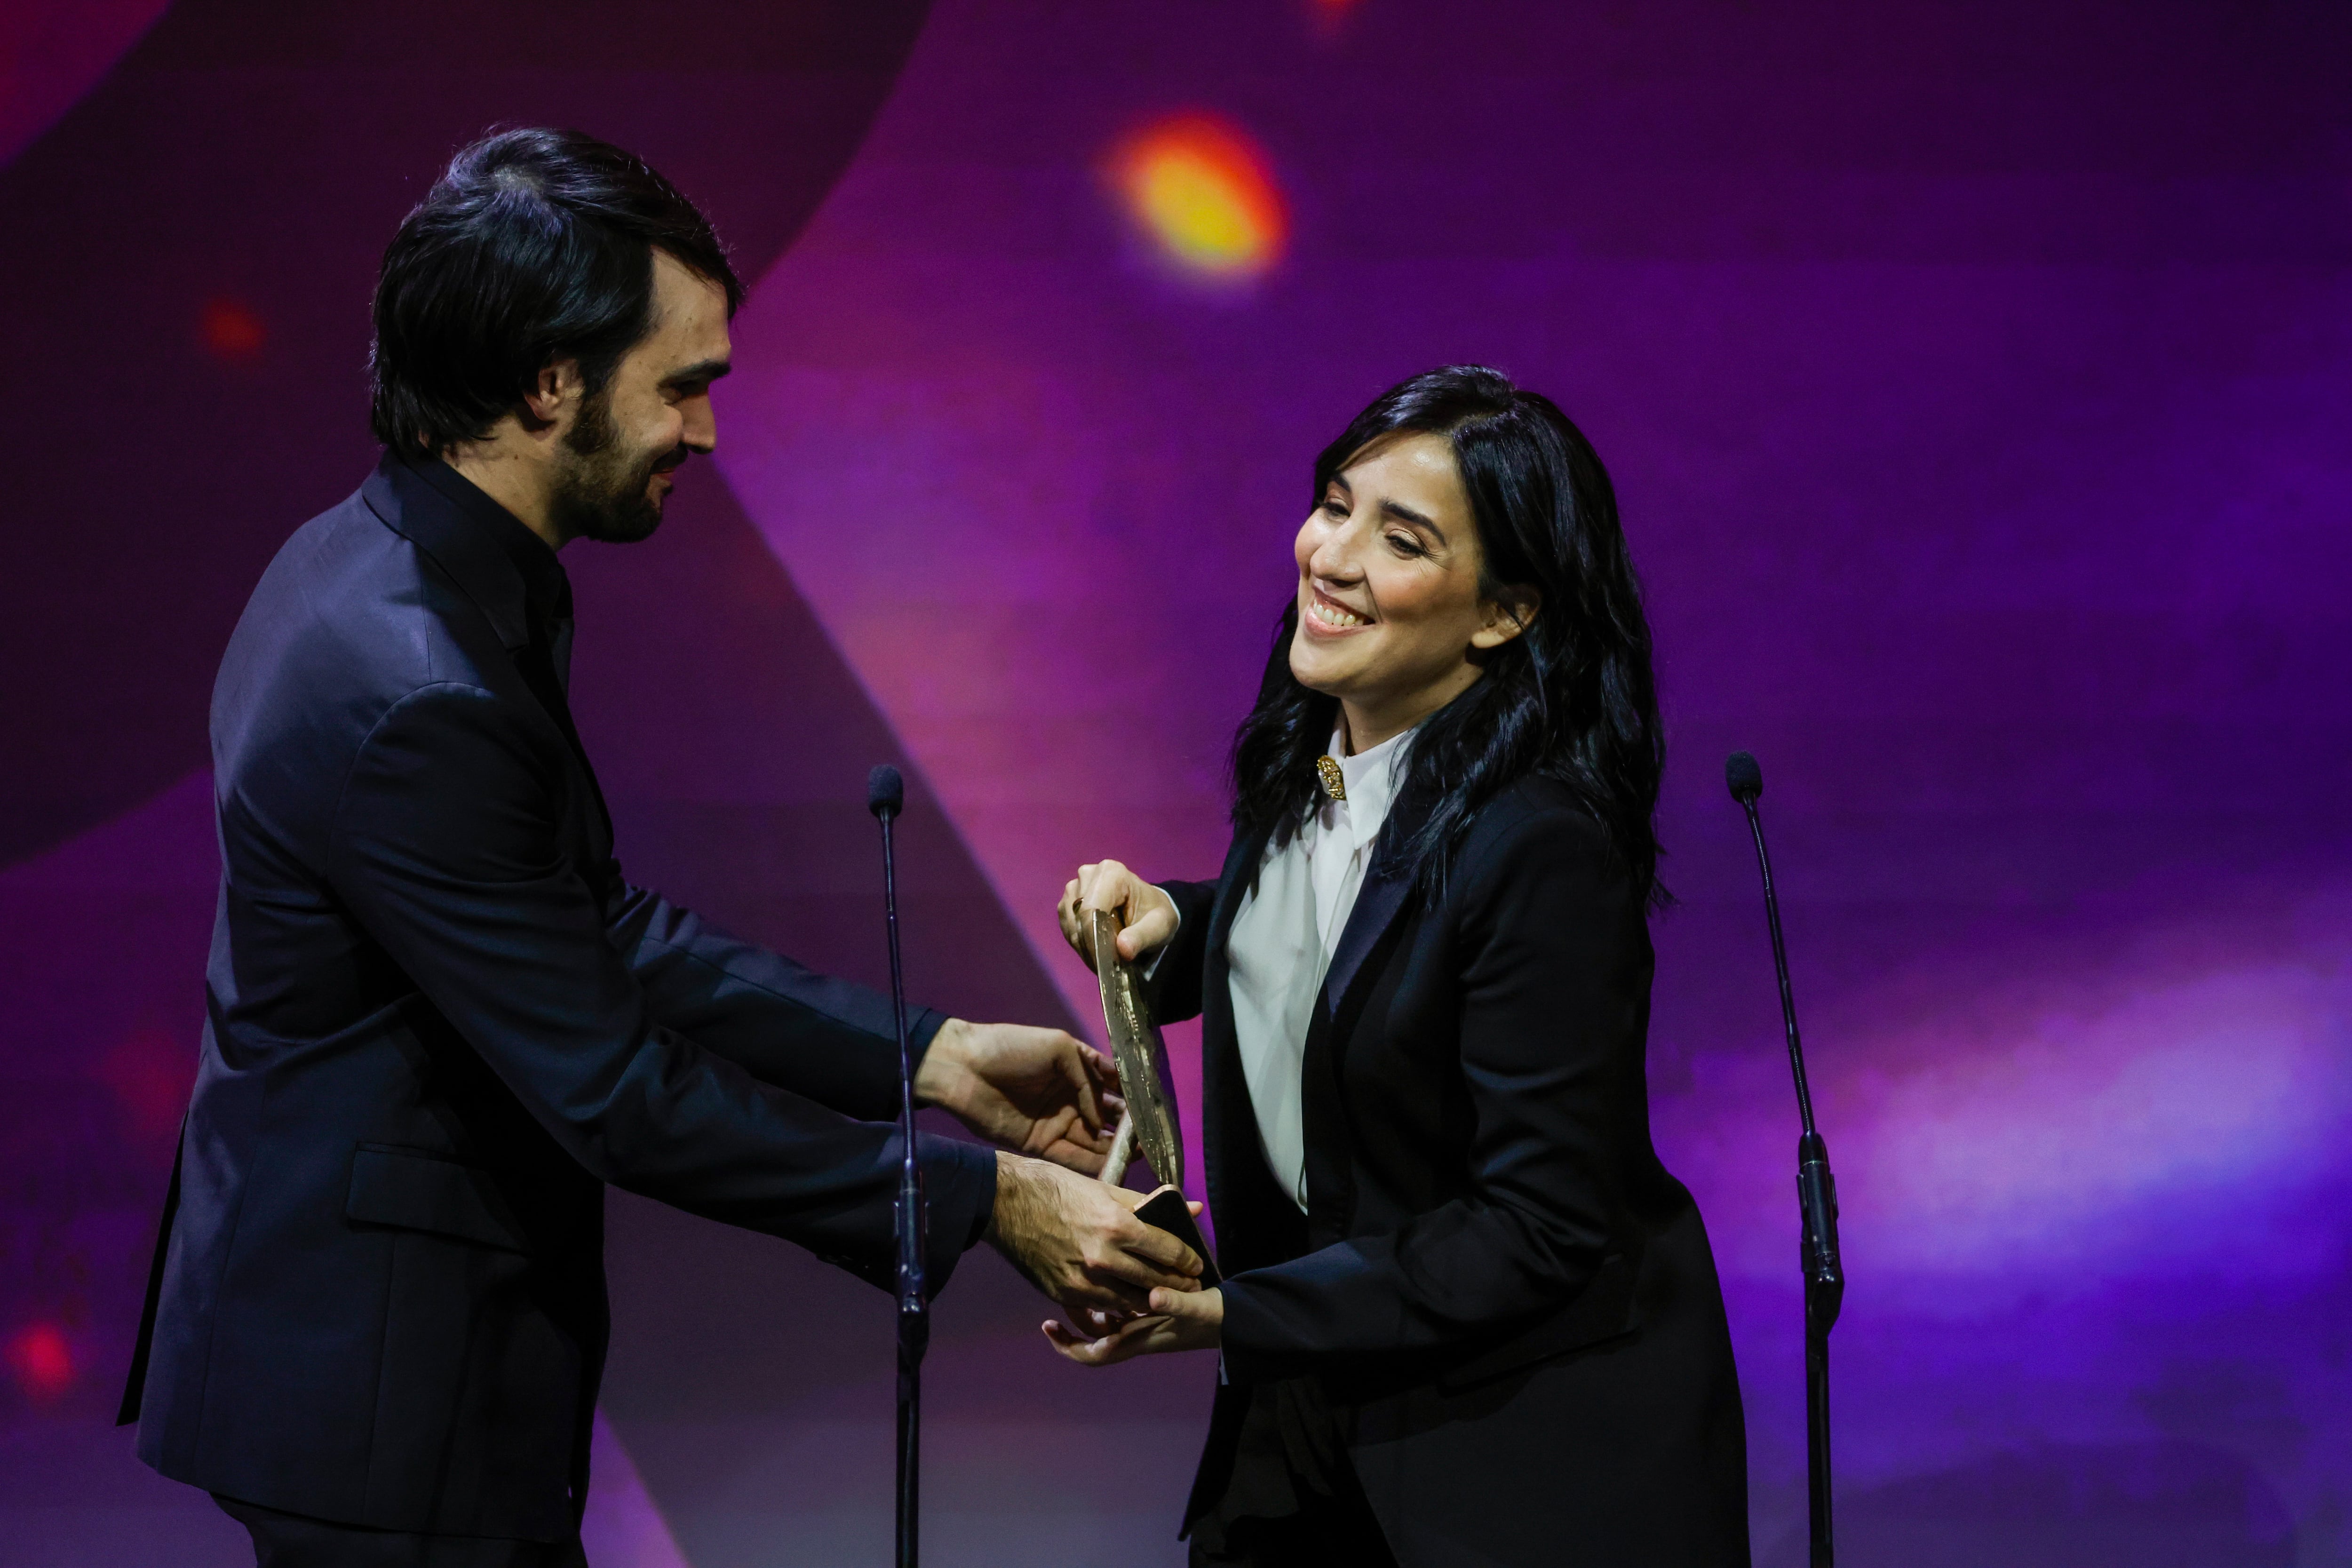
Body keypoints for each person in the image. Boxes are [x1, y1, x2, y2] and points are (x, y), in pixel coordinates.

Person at [117, 127, 1200, 1568]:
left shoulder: (391, 557)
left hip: (368, 1361)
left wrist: (930, 1052)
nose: (704, 431)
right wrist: (986, 1197)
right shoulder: (418, 679)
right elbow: (617, 1086)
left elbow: (592, 925)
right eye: (683, 386)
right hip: (377, 1396)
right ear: (551, 381)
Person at [1051, 366, 1750, 1566]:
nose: (1332, 554)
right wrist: (1180, 922)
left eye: (1402, 538)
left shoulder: (1544, 843)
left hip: (1519, 1466)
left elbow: (1537, 1226)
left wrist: (1230, 1314)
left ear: (1504, 612)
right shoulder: (1317, 750)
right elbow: (1353, 934)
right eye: (1334, 503)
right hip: (1311, 1424)